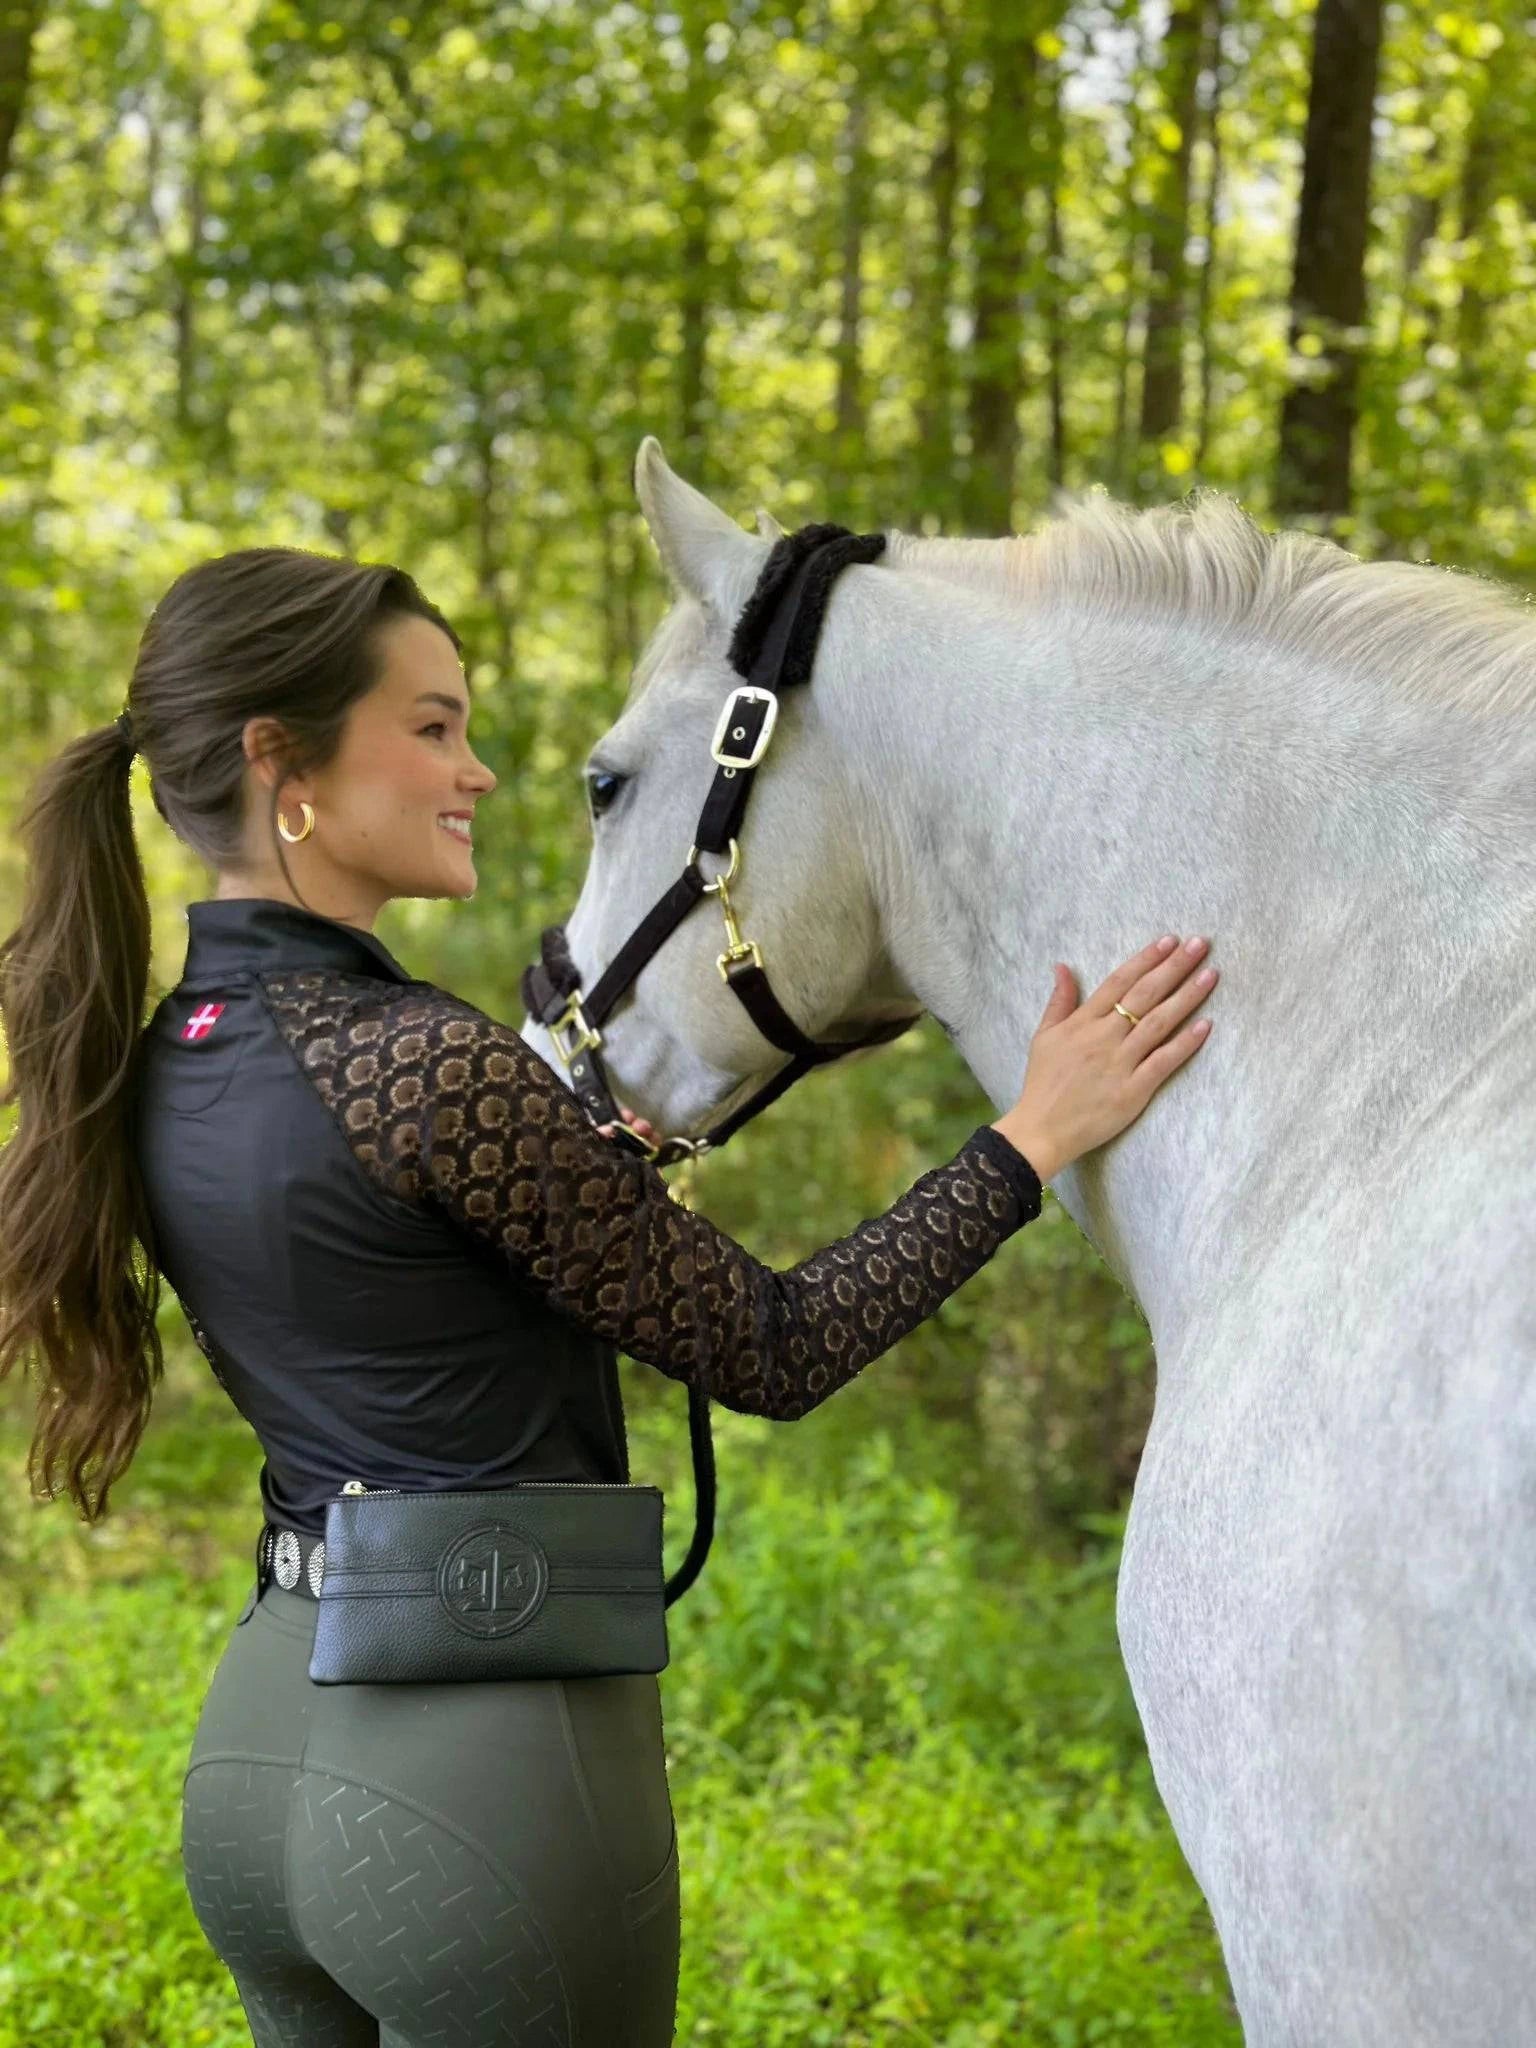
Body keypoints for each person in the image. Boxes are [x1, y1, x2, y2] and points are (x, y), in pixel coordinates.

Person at [0, 546, 1218, 2048]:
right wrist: (1031, 1138)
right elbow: (775, 1348)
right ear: (281, 764)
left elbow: (389, 1280)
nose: (482, 772)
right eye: (433, 727)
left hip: (260, 1756)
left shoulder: (154, 1057)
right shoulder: (433, 1067)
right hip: (480, 1780)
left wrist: (587, 1174)